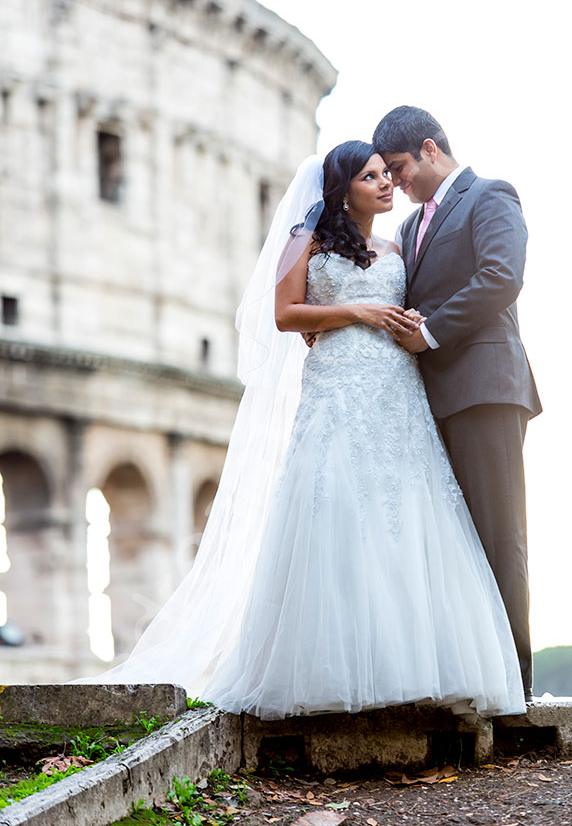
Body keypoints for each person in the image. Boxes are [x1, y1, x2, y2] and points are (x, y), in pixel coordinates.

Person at [73, 141, 525, 720]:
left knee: (405, 516)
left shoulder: (396, 245)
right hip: (337, 388)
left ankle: (417, 668)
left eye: (388, 174)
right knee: (334, 509)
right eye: (371, 176)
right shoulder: (304, 241)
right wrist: (354, 312)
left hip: (395, 391)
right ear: (343, 190)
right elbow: (285, 313)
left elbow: (409, 308)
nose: (386, 184)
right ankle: (336, 670)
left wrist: (408, 320)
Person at [372, 107, 542, 701]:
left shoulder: (490, 195)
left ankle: (515, 690)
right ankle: (472, 679)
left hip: (485, 390)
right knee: (455, 543)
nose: (394, 185)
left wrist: (431, 331)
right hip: (431, 403)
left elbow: (502, 277)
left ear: (429, 148)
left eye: (398, 169)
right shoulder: (412, 229)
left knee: (499, 536)